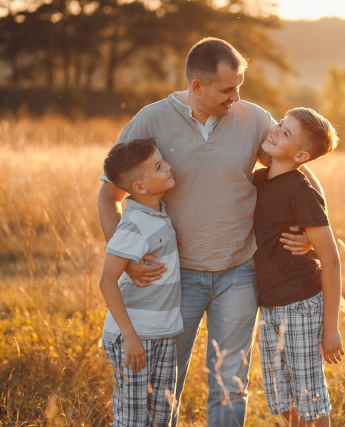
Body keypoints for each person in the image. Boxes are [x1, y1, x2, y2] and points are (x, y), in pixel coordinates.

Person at [97, 38, 318, 427]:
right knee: (165, 382)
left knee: (230, 383)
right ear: (197, 87)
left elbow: (297, 167)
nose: (237, 96)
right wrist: (126, 259)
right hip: (174, 278)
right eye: (227, 89)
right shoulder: (150, 120)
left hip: (239, 272)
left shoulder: (252, 118)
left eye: (240, 85)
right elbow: (109, 193)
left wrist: (314, 232)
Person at [253, 108, 345, 426]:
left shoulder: (300, 193)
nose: (276, 130)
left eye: (287, 133)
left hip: (301, 306)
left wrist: (330, 328)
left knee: (310, 401)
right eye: (280, 124)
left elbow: (331, 261)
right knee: (282, 401)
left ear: (301, 154)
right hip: (269, 307)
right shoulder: (258, 181)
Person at [99, 138, 182, 426]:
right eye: (159, 166)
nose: (169, 166)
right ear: (140, 188)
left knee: (162, 417)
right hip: (133, 338)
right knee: (133, 421)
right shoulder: (133, 223)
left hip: (163, 333)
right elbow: (107, 281)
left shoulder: (158, 212)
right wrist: (131, 337)